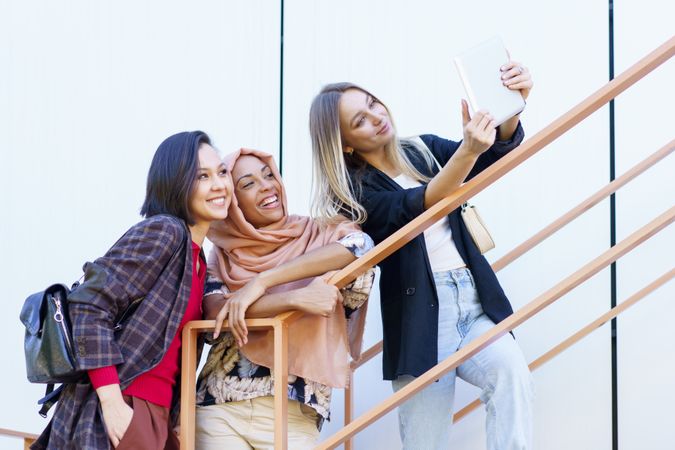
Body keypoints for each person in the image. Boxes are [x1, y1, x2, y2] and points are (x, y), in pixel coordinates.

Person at [308, 61, 535, 450]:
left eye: (374, 104)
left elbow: (491, 155)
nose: (377, 117)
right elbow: (421, 204)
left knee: (511, 372)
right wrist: (465, 152)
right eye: (360, 120)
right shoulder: (354, 195)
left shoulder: (423, 149)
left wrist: (509, 109)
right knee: (425, 441)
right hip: (422, 322)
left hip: (474, 299)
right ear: (344, 143)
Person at [32, 131, 233, 450]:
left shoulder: (197, 260)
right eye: (203, 177)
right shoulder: (165, 232)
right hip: (122, 403)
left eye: (222, 172)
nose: (220, 184)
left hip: (156, 415)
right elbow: (87, 305)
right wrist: (112, 402)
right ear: (176, 183)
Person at [194, 148, 375, 450]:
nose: (266, 186)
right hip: (219, 407)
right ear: (232, 202)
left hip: (294, 414)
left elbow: (360, 247)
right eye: (248, 184)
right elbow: (215, 312)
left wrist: (262, 282)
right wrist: (295, 298)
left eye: (269, 175)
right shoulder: (222, 253)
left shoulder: (320, 231)